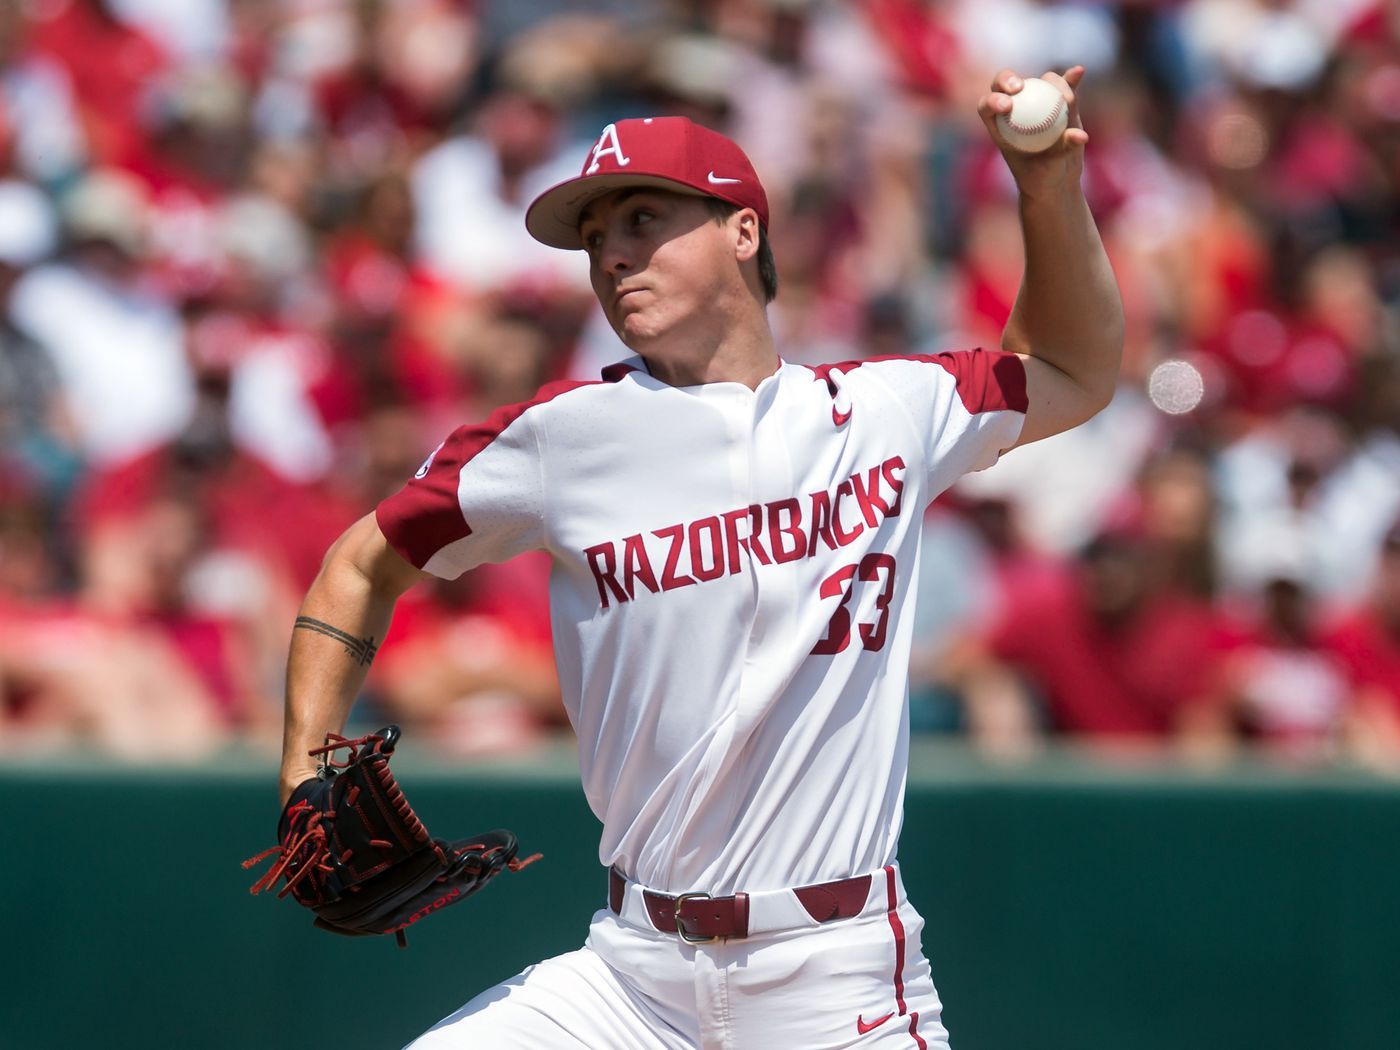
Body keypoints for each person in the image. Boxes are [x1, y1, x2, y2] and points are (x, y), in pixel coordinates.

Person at [276, 67, 1123, 1049]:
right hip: (629, 978)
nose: (612, 256)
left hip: (836, 976)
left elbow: (1070, 368)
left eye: (642, 219)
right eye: (594, 238)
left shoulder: (884, 412)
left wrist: (1045, 186)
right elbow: (358, 564)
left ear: (743, 231)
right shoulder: (560, 438)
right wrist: (302, 772)